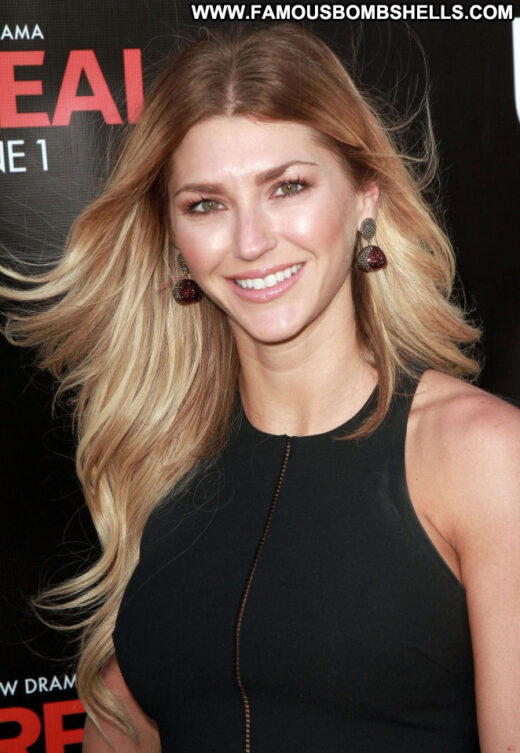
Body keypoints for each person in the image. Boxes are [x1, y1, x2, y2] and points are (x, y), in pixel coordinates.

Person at [0, 22, 518, 753]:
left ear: (364, 199)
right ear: (171, 234)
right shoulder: (163, 457)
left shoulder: (481, 456)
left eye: (288, 187)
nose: (251, 241)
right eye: (206, 204)